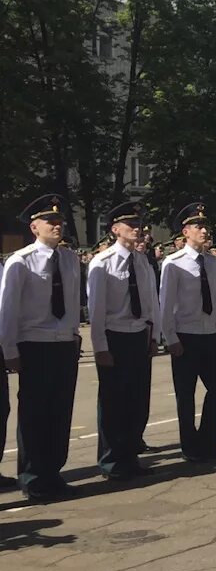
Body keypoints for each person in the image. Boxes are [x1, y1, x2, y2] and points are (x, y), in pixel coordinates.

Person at [0, 194, 83, 501]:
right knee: (35, 413)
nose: (57, 226)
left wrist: (74, 336)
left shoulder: (69, 259)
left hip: (63, 343)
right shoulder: (20, 262)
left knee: (60, 412)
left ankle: (53, 472)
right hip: (34, 344)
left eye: (60, 221)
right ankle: (33, 477)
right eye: (50, 221)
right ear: (35, 227)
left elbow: (73, 303)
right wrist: (10, 351)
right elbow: (8, 310)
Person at [87, 200, 158, 479]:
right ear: (116, 229)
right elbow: (96, 311)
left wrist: (153, 337)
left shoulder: (142, 261)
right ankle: (111, 462)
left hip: (138, 336)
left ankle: (130, 457)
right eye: (132, 225)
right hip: (114, 337)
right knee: (113, 402)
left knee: (137, 401)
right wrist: (100, 347)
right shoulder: (102, 263)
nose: (138, 229)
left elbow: (151, 304)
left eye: (139, 225)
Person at [159, 201, 216, 463]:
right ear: (185, 231)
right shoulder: (173, 263)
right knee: (186, 394)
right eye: (198, 226)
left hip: (208, 335)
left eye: (205, 226)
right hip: (186, 336)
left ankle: (209, 441)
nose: (204, 231)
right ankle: (190, 446)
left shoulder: (211, 261)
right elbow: (165, 305)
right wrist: (170, 338)